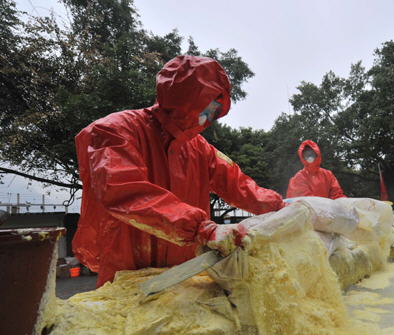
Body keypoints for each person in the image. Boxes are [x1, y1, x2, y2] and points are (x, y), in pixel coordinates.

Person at [73, 55, 285, 287]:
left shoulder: (200, 148)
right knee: (124, 310)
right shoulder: (115, 131)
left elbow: (237, 183)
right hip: (126, 272)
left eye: (214, 110)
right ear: (185, 100)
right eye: (206, 107)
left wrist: (280, 206)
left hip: (186, 274)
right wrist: (200, 228)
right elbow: (124, 190)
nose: (208, 117)